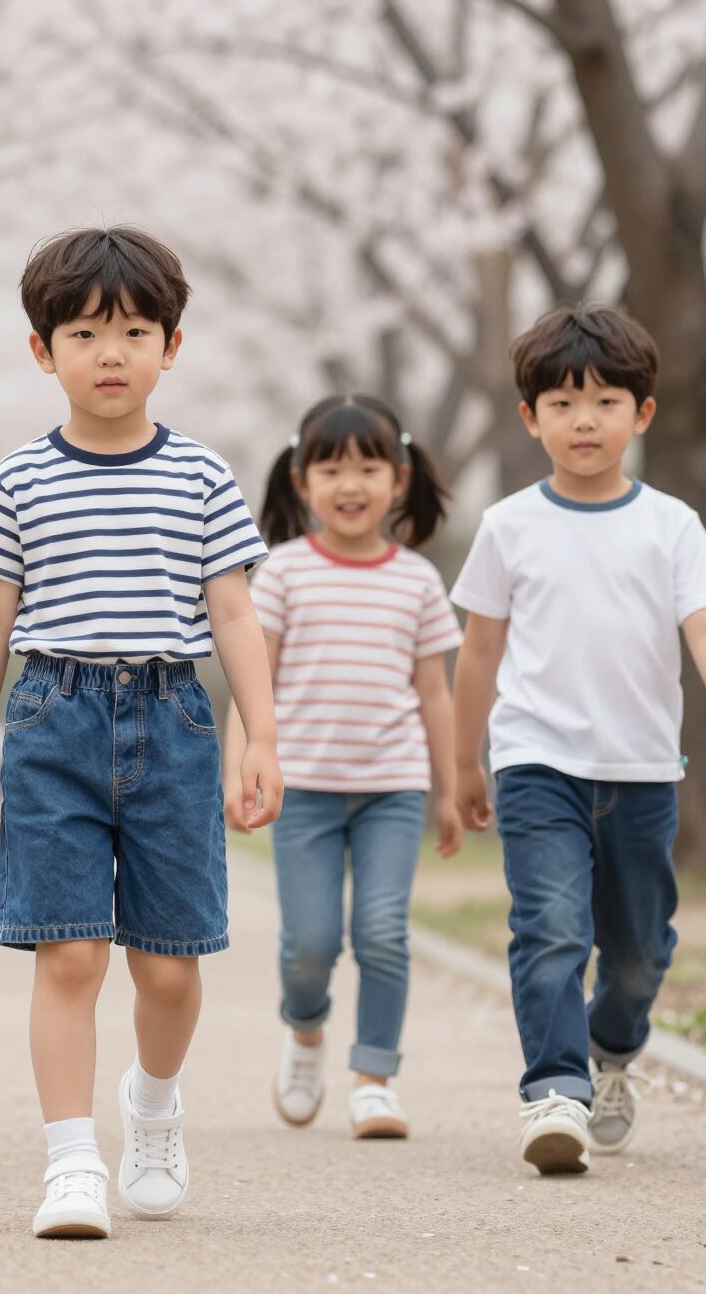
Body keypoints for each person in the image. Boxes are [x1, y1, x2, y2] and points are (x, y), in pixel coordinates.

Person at [0, 227, 282, 1240]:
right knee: (68, 957)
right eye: (85, 332)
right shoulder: (17, 480)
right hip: (52, 717)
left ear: (171, 348)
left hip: (172, 716)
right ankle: (69, 1165)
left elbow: (232, 613)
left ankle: (152, 1106)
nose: (110, 352)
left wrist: (256, 735)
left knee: (171, 963)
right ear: (43, 350)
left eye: (134, 331)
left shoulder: (202, 478)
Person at [450, 304, 706, 1175]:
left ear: (643, 413)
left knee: (636, 952)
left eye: (603, 401)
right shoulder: (510, 525)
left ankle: (612, 1051)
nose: (582, 420)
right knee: (549, 925)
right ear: (529, 418)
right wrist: (464, 761)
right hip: (535, 760)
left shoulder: (670, 525)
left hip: (641, 769)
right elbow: (481, 648)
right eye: (559, 403)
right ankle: (554, 1091)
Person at [225, 394, 462, 1141]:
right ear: (301, 482)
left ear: (397, 478)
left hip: (394, 785)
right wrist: (239, 769)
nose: (349, 484)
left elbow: (434, 690)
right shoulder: (284, 574)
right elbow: (251, 680)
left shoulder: (418, 580)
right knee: (311, 945)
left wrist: (451, 788)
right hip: (306, 790)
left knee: (385, 932)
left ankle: (374, 1078)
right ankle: (304, 1032)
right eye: (331, 468)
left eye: (367, 467)